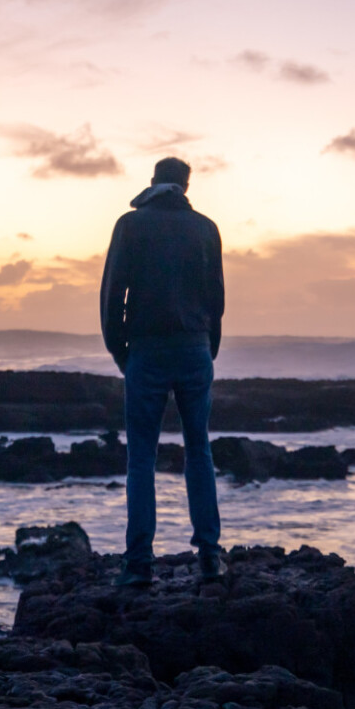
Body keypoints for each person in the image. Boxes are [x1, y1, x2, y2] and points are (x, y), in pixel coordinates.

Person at [99, 155, 225, 587]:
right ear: (186, 187)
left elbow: (113, 294)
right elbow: (216, 300)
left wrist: (121, 351)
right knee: (199, 450)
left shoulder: (130, 226)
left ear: (153, 182)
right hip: (194, 348)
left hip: (147, 351)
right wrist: (209, 347)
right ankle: (209, 555)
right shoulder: (206, 228)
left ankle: (138, 564)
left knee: (141, 458)